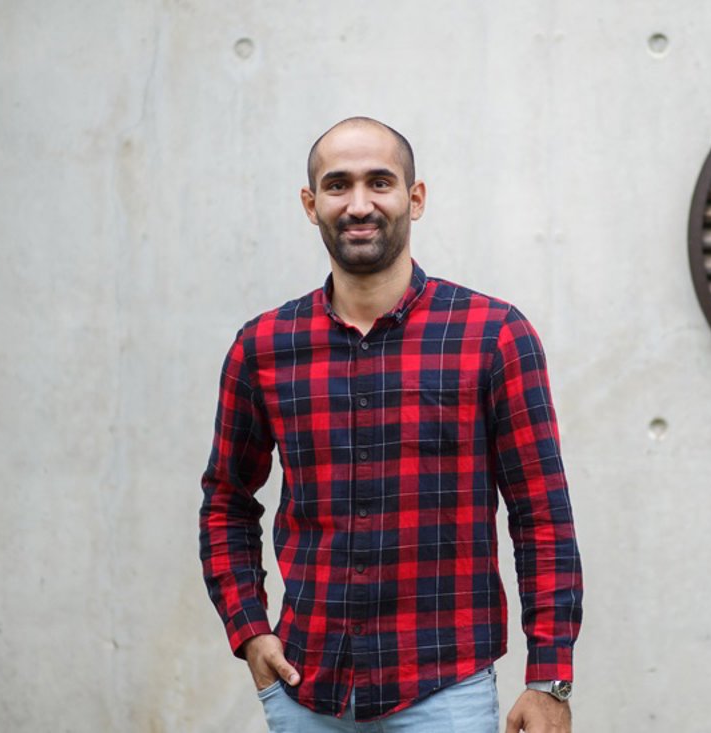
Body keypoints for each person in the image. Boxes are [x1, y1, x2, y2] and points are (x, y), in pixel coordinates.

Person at [199, 117, 583, 732]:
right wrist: (248, 629)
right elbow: (226, 501)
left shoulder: (493, 336)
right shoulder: (264, 347)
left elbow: (541, 515)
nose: (359, 204)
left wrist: (549, 678)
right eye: (338, 185)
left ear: (415, 197)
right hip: (306, 689)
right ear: (311, 204)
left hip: (444, 690)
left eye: (379, 182)